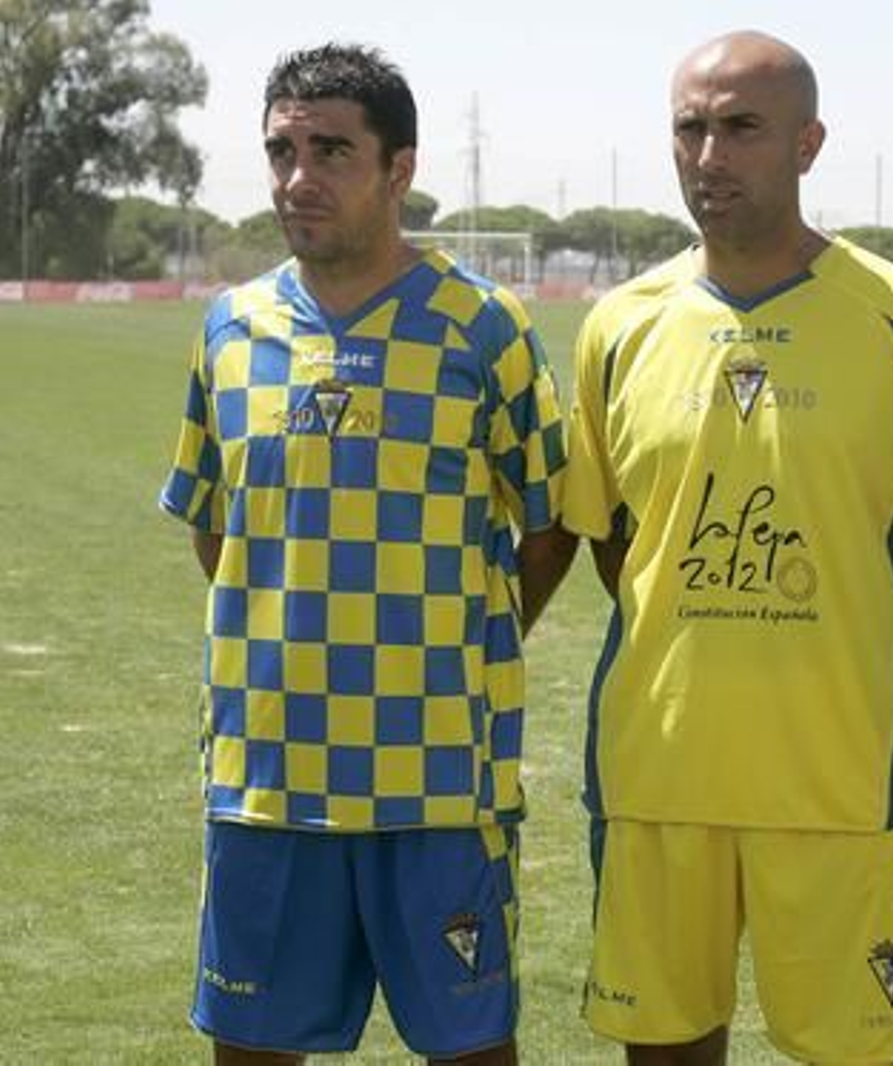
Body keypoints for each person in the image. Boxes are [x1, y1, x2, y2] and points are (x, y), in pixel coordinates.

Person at [560, 30, 893, 1065]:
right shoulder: (618, 324)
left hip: (840, 777)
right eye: (689, 129)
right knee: (661, 1048)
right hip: (659, 773)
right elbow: (616, 544)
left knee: (851, 1053)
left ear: (808, 143)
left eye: (741, 128)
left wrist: (873, 650)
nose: (709, 156)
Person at [157, 43, 574, 1065]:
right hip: (266, 775)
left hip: (438, 779)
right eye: (282, 150)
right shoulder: (228, 327)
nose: (300, 176)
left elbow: (551, 523)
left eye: (332, 150)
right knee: (251, 1046)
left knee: (473, 1045)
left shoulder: (487, 329)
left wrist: (441, 639)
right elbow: (217, 525)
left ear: (400, 168)